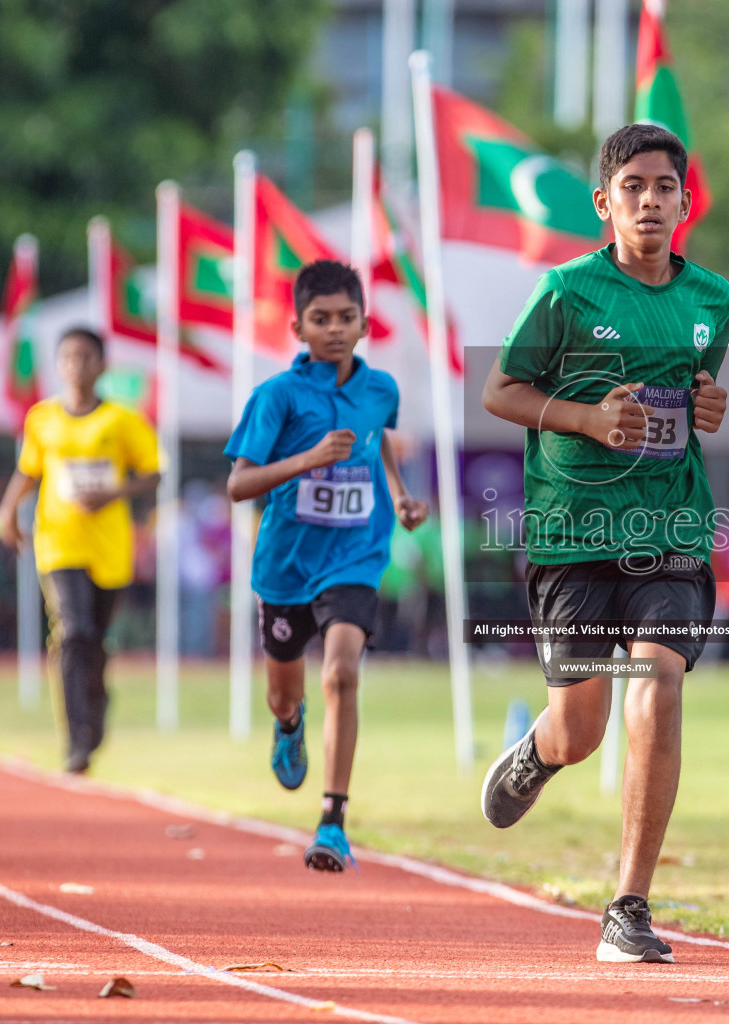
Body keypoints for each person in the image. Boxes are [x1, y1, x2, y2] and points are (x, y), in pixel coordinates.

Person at [479, 123, 729, 964]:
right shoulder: (566, 293)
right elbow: (501, 389)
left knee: (657, 679)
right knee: (582, 729)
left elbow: (695, 394)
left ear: (684, 202)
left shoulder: (713, 301)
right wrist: (589, 417)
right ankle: (539, 750)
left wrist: (706, 407)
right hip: (572, 534)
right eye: (633, 187)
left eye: (665, 187)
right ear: (604, 203)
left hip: (671, 528)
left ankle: (628, 906)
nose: (650, 201)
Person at [225, 260, 428, 874]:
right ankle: (290, 723)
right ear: (298, 326)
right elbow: (238, 485)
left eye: (346, 318)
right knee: (285, 694)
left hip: (356, 555)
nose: (334, 329)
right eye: (321, 319)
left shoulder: (380, 389)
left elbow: (379, 440)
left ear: (365, 324)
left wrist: (398, 496)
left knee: (342, 673)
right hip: (286, 565)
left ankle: (333, 821)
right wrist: (308, 458)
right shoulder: (277, 398)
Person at [0, 327, 161, 773]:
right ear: (58, 364)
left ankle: (97, 694)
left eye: (87, 356)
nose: (77, 364)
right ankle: (76, 737)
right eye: (69, 356)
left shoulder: (122, 421)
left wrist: (113, 493)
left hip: (108, 544)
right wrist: (7, 510)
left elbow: (153, 473)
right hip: (58, 541)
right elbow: (28, 470)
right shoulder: (42, 418)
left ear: (102, 365)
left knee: (94, 637)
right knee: (73, 630)